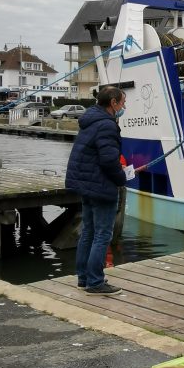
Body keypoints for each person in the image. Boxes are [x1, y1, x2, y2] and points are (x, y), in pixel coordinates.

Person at [66, 86, 129, 295]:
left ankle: (84, 278)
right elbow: (109, 161)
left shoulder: (90, 121)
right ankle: (95, 281)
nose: (123, 107)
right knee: (102, 234)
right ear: (113, 103)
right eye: (122, 103)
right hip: (101, 186)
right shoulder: (107, 125)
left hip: (86, 184)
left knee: (88, 232)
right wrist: (122, 178)